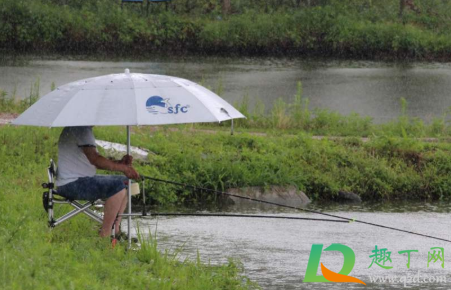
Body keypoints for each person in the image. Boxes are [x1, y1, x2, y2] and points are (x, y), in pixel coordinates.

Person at [55, 126, 140, 238]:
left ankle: (116, 229)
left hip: (75, 180)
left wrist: (120, 164)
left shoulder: (77, 128)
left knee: (128, 182)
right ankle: (105, 234)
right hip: (71, 184)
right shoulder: (82, 129)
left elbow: (92, 161)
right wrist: (123, 168)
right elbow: (95, 160)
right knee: (117, 187)